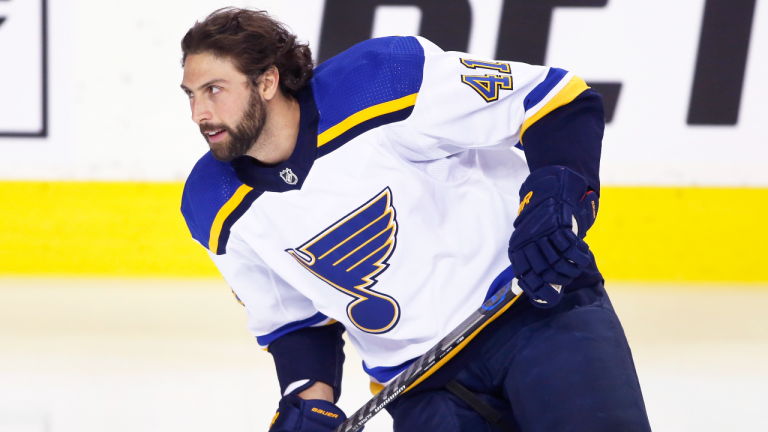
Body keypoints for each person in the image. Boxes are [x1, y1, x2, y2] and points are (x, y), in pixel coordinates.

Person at [179, 7, 651, 432]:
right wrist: (308, 399)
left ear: (266, 82)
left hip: (537, 311)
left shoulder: (383, 82)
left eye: (214, 90)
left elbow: (557, 101)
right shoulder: (212, 205)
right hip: (423, 387)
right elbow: (292, 320)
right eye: (191, 95)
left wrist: (556, 202)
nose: (200, 113)